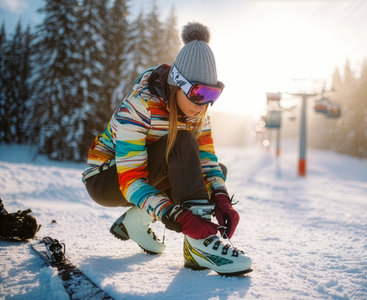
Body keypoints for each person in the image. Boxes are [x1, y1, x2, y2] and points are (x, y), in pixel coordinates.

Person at [82, 22, 251, 276]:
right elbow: (130, 180)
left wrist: (220, 198)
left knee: (212, 173)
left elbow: (207, 161)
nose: (203, 103)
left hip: (144, 174)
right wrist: (177, 216)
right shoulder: (140, 106)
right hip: (107, 178)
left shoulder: (199, 114)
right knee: (182, 143)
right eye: (198, 92)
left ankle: (138, 221)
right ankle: (199, 247)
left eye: (212, 94)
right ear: (177, 83)